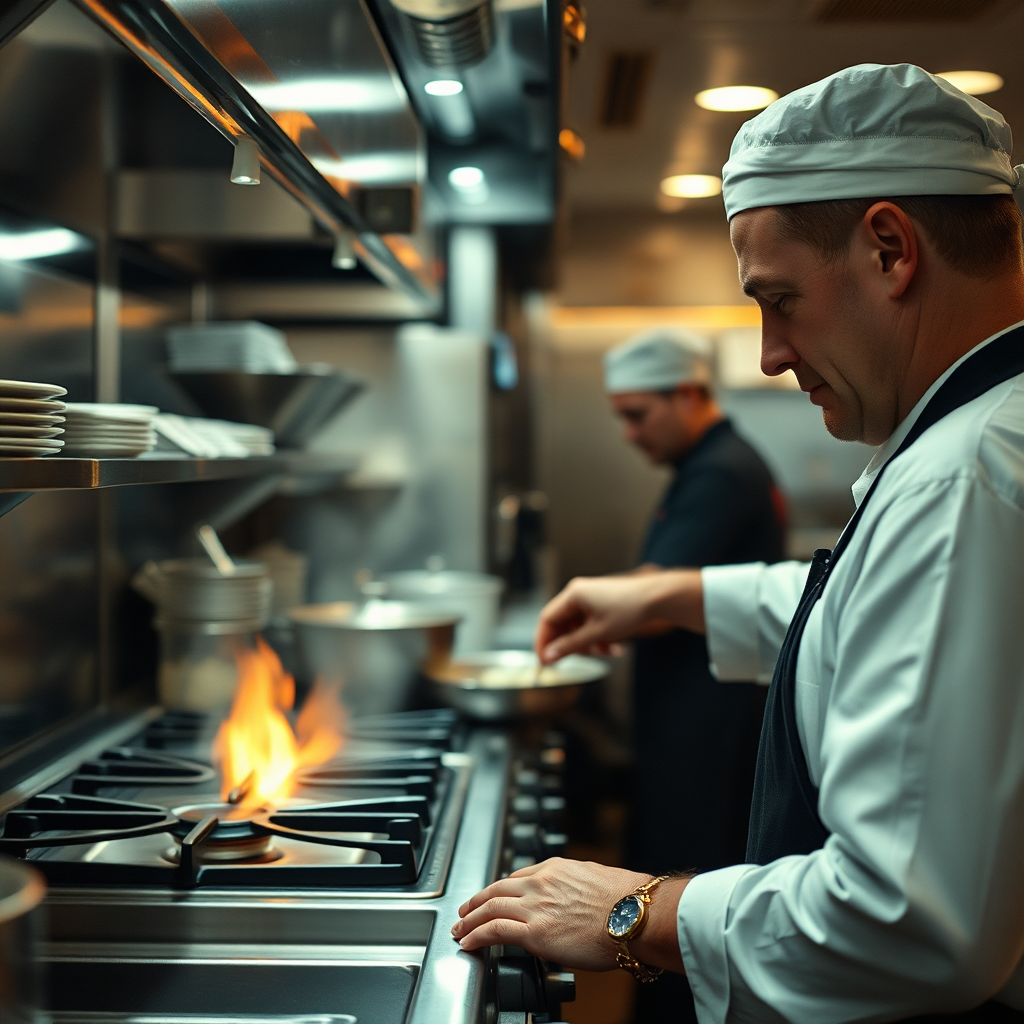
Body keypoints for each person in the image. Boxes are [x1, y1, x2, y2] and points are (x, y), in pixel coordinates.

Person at [452, 63, 1024, 1022]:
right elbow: (876, 613)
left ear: (890, 250)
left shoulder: (962, 480)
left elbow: (906, 921)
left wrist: (636, 912)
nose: (768, 354)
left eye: (780, 300)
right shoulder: (976, 441)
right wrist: (669, 595)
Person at [604, 328, 784, 1021]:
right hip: (693, 721)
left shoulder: (719, 472)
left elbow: (654, 600)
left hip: (705, 733)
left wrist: (591, 613)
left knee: (680, 892)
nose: (628, 434)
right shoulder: (708, 464)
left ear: (687, 394)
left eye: (637, 415)